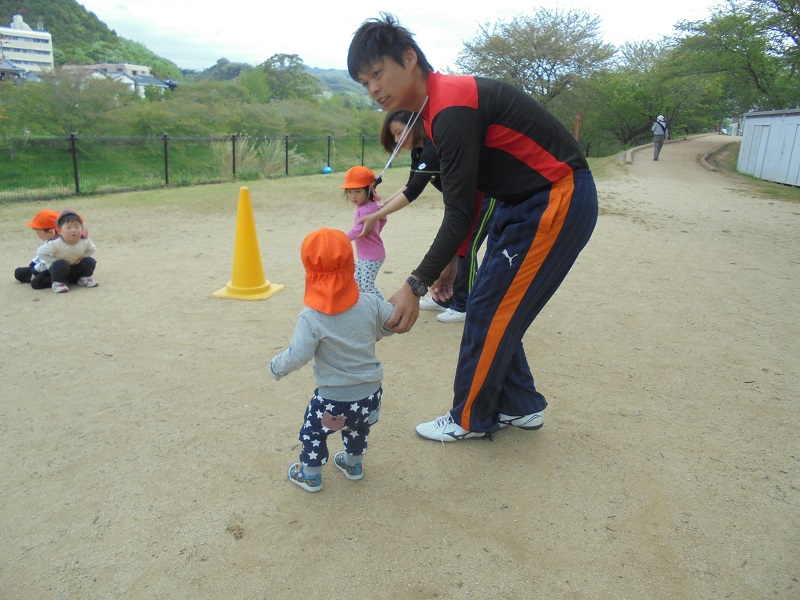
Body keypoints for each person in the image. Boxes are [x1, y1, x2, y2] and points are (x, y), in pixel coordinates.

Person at [347, 14, 599, 442]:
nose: (373, 88)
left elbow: (459, 210)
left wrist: (414, 285)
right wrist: (456, 257)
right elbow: (469, 197)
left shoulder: (451, 106)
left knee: (491, 310)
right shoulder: (434, 113)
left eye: (376, 73)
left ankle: (469, 418)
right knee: (487, 303)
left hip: (555, 196)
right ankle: (519, 406)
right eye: (364, 82)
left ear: (409, 58)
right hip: (518, 203)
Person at [270, 228, 395, 492]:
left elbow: (298, 355)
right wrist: (378, 331)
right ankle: (353, 465)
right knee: (358, 428)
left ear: (309, 273)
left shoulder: (311, 317)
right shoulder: (369, 302)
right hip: (370, 395)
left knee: (314, 433)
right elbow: (392, 320)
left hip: (334, 401)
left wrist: (277, 367)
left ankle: (310, 476)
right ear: (352, 266)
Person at [363, 109, 496, 323]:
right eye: (394, 136)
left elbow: (413, 191)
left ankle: (464, 304)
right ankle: (445, 298)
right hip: (460, 202)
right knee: (449, 245)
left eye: (399, 132)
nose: (397, 140)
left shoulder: (433, 148)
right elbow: (410, 183)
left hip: (485, 197)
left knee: (466, 248)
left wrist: (377, 215)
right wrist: (383, 205)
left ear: (414, 125)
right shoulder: (419, 151)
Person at [342, 166, 387, 299]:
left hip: (372, 255)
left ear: (368, 190)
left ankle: (385, 307)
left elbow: (358, 229)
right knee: (358, 283)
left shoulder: (368, 209)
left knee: (367, 285)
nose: (353, 196)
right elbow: (383, 218)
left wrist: (341, 239)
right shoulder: (365, 205)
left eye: (358, 191)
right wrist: (377, 230)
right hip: (364, 255)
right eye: (349, 192)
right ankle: (366, 306)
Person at [36, 210, 98, 293]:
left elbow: (93, 249)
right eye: (68, 227)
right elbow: (40, 252)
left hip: (75, 265)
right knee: (61, 264)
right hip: (60, 268)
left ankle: (84, 278)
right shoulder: (56, 244)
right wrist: (54, 260)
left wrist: (83, 256)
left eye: (77, 227)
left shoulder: (85, 241)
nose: (73, 230)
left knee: (90, 261)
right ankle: (58, 282)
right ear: (60, 231)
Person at [14, 209, 60, 289]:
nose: (37, 234)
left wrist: (34, 272)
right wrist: (33, 269)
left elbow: (46, 263)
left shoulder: (57, 244)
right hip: (45, 268)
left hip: (55, 270)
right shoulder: (50, 240)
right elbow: (39, 258)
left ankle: (62, 280)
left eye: (38, 232)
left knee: (36, 283)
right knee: (19, 273)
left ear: (50, 232)